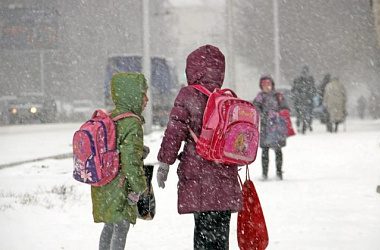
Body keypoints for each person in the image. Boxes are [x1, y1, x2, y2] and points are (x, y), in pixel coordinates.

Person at [156, 44, 242, 250]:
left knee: (203, 232)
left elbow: (174, 132)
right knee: (221, 236)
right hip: (225, 174)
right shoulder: (227, 98)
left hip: (199, 175)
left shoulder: (188, 95)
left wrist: (164, 163)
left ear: (192, 69)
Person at [91, 72, 149, 250]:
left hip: (104, 182)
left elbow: (117, 147)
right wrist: (140, 188)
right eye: (143, 94)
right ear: (133, 95)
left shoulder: (110, 118)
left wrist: (141, 150)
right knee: (122, 226)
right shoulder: (132, 122)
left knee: (109, 225)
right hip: (121, 184)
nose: (146, 99)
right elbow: (130, 159)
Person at [253, 75, 289, 180]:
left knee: (278, 150)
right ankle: (265, 174)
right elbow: (255, 107)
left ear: (272, 85)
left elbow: (285, 107)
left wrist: (279, 114)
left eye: (268, 84)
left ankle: (279, 173)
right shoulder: (260, 96)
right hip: (265, 126)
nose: (266, 86)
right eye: (264, 84)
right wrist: (263, 115)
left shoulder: (278, 95)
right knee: (265, 150)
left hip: (277, 127)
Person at [291, 65, 316, 134]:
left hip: (299, 100)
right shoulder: (310, 80)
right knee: (308, 113)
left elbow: (293, 90)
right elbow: (313, 90)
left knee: (299, 114)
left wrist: (295, 96)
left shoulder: (297, 79)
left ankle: (300, 124)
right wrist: (310, 96)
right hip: (307, 100)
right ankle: (307, 125)